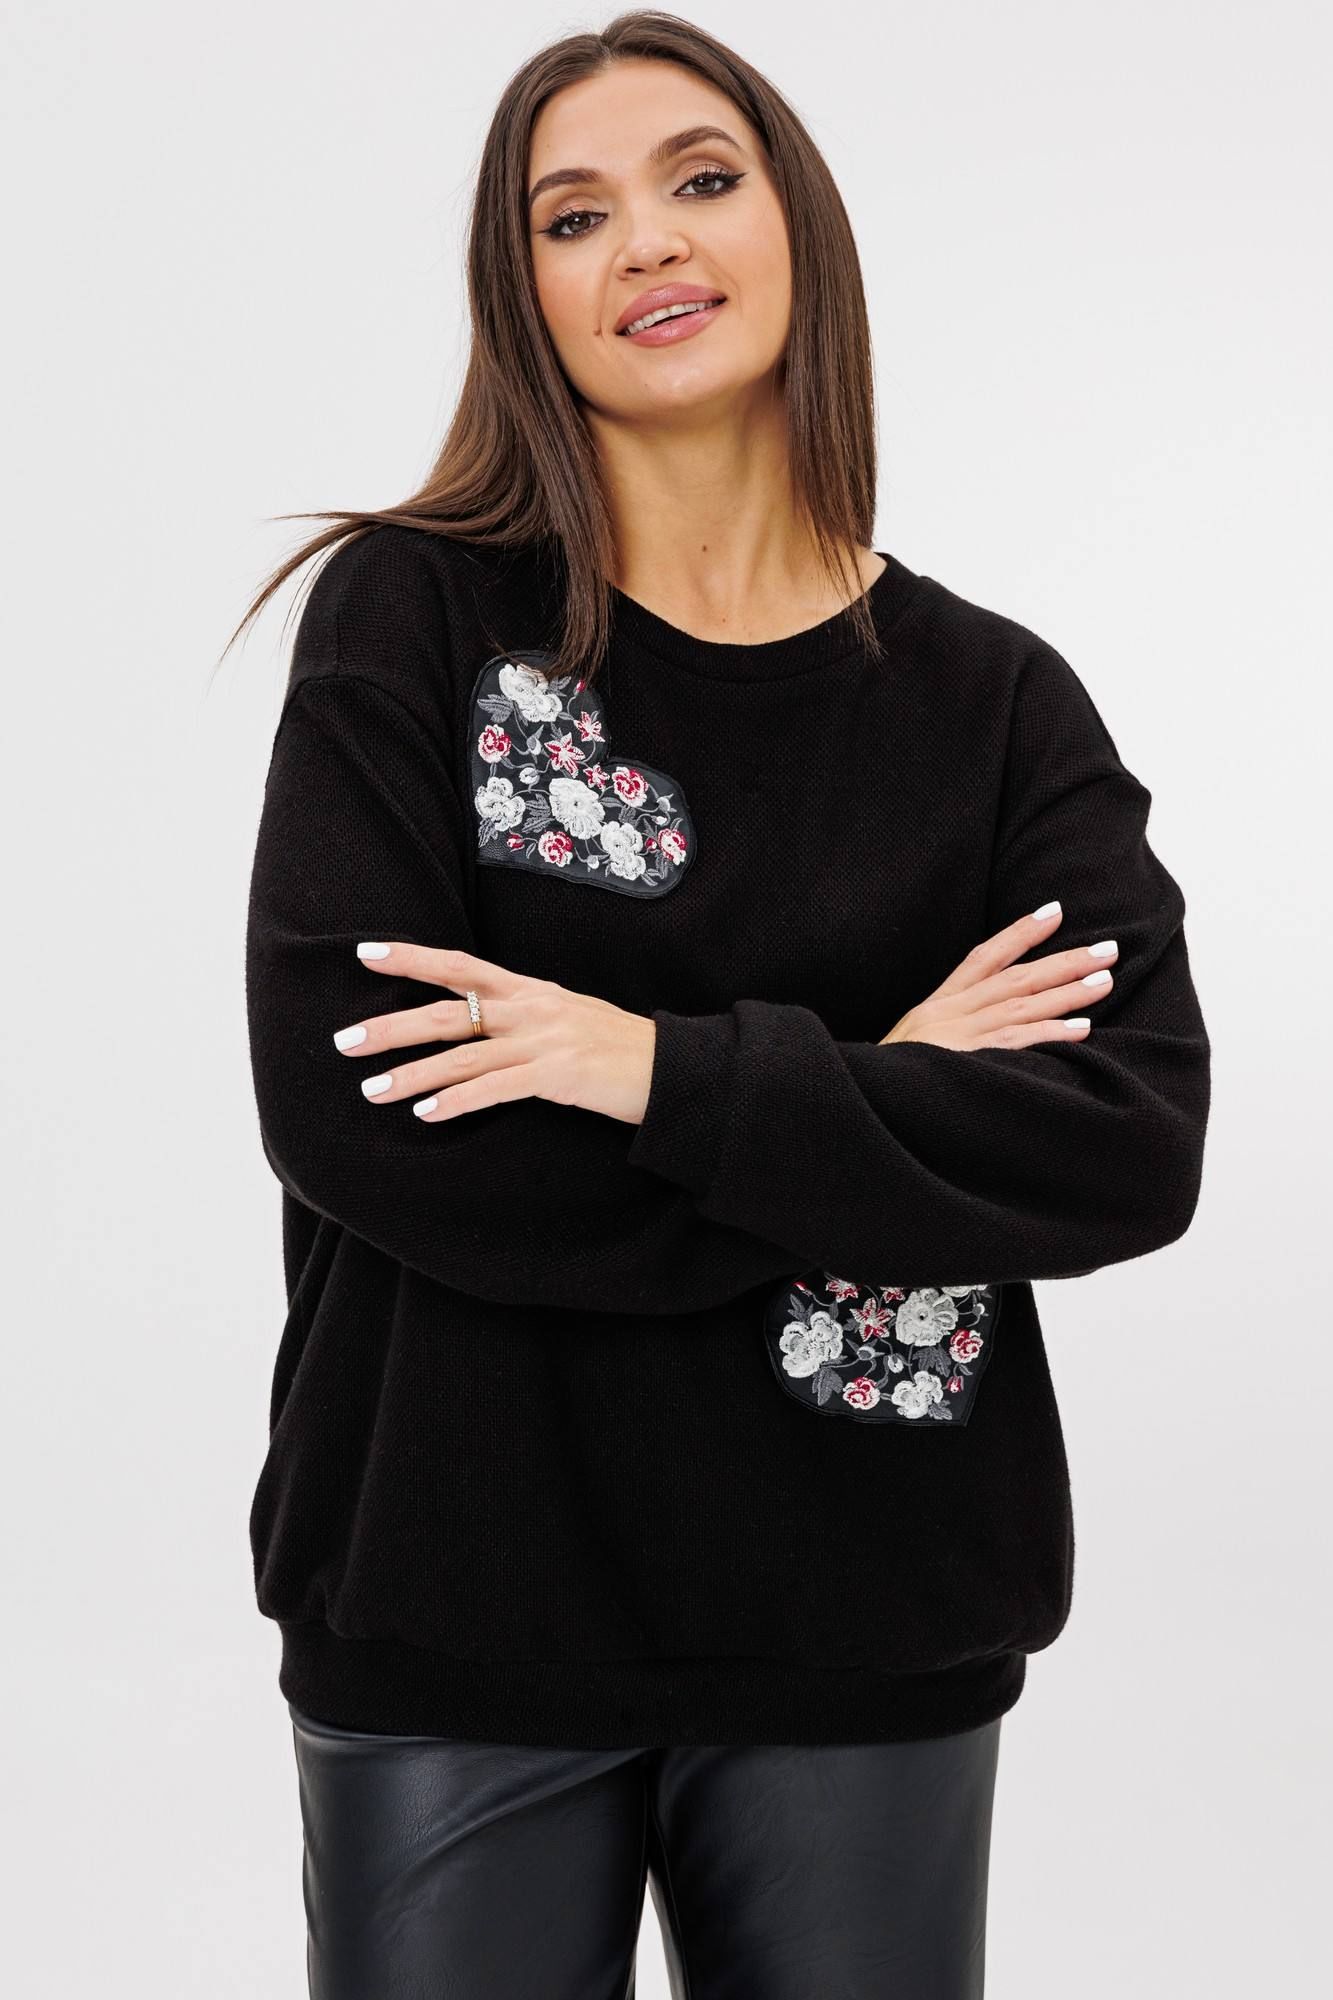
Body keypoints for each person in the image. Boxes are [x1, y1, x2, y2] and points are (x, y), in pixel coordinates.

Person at [231, 13, 1211, 1998]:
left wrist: (647, 1073)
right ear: (520, 295)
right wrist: (881, 1098)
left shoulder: (991, 703)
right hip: (455, 1602)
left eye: (697, 179)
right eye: (570, 216)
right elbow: (360, 1115)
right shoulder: (415, 617)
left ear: (795, 226)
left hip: (873, 1609)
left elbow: (1124, 1144)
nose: (647, 244)